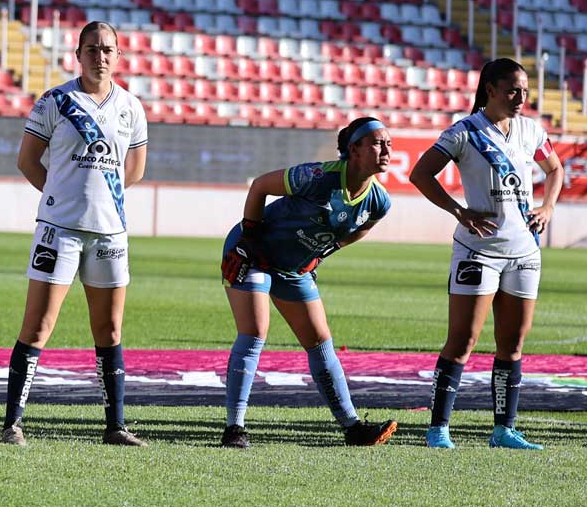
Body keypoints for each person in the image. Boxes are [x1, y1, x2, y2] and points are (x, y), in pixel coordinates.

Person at [1, 21, 147, 446]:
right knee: (38, 325)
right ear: (78, 54)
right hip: (58, 231)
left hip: (109, 233)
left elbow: (134, 170)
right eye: (92, 48)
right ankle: (13, 423)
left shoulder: (131, 107)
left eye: (108, 49)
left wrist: (101, 198)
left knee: (110, 330)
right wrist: (62, 194)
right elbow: (28, 161)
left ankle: (115, 426)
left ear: (118, 56)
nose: (100, 56)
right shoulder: (55, 101)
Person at [217, 117, 400, 449]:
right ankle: (235, 428)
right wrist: (248, 240)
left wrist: (325, 251)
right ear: (354, 149)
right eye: (378, 143)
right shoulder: (317, 176)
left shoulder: (379, 200)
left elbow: (363, 227)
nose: (387, 149)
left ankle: (352, 427)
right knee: (255, 331)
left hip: (294, 267)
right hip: (253, 252)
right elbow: (259, 186)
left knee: (320, 340)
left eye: (389, 143)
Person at [409, 58, 562, 450]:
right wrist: (459, 211)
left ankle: (503, 429)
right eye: (513, 90)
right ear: (490, 89)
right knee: (463, 340)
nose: (521, 97)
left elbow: (556, 169)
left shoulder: (530, 130)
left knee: (512, 343)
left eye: (525, 91)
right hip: (478, 252)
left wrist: (546, 208)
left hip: (525, 252)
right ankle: (439, 428)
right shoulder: (465, 132)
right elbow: (421, 173)